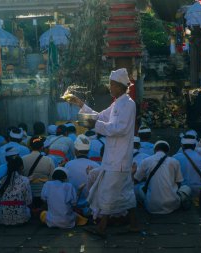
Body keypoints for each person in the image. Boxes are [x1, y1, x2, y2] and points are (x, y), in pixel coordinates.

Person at [67, 68, 138, 236]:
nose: (110, 88)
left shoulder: (128, 104)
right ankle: (133, 224)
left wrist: (95, 125)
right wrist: (80, 104)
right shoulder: (118, 103)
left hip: (119, 158)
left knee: (107, 191)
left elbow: (119, 128)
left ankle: (101, 227)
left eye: (112, 85)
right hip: (115, 157)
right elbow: (99, 116)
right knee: (125, 193)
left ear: (121, 86)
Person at [134, 141, 191, 214]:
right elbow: (179, 182)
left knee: (137, 188)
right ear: (167, 151)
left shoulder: (146, 161)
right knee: (187, 188)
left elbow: (136, 180)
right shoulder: (174, 161)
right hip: (172, 204)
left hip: (151, 206)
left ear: (154, 150)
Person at [65, 134, 99, 215]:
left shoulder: (68, 165)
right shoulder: (96, 166)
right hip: (91, 207)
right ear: (88, 150)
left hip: (73, 206)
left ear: (76, 150)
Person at [0, 156, 32, 225]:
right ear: (21, 167)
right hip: (21, 218)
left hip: (2, 218)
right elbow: (28, 201)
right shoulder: (25, 180)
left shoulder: (0, 180)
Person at [22, 136, 54, 208]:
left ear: (30, 146)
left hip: (28, 192)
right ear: (42, 147)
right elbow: (52, 178)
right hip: (43, 193)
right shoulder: (49, 160)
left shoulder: (23, 159)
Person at [173, 133, 201, 198]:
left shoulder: (175, 158)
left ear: (182, 145)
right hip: (197, 191)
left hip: (181, 191)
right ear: (194, 145)